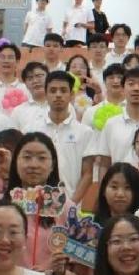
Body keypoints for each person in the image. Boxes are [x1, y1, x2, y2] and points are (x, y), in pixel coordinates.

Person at [6, 133, 68, 271]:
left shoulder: (65, 208)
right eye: (27, 157)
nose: (34, 165)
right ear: (15, 162)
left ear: (52, 165)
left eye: (42, 158)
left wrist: (54, 269)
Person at [36, 70, 97, 203]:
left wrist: (71, 204)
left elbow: (87, 174)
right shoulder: (32, 130)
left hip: (71, 204)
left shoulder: (85, 132)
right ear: (45, 94)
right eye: (53, 91)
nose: (58, 95)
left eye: (63, 90)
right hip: (37, 203)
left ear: (72, 95)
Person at [100, 65, 139, 165]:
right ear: (122, 89)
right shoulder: (111, 124)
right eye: (131, 84)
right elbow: (104, 163)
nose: (136, 88)